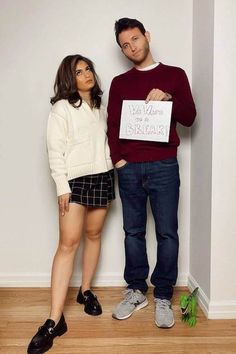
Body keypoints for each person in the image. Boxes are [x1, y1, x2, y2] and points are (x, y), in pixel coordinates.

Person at [107, 18, 196, 328]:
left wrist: (168, 99)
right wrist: (118, 160)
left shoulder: (174, 75)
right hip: (129, 168)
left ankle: (163, 295)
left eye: (135, 39)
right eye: (125, 45)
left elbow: (189, 118)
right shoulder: (120, 83)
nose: (132, 47)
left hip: (164, 166)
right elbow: (113, 126)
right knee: (132, 232)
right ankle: (136, 290)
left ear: (147, 35)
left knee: (167, 232)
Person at [27, 54, 114, 354]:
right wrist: (62, 186)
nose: (87, 74)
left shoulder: (101, 107)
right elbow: (55, 149)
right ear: (69, 77)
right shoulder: (61, 108)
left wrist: (117, 160)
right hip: (75, 182)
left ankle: (85, 290)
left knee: (94, 235)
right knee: (67, 244)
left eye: (88, 68)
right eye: (79, 71)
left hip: (102, 176)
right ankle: (54, 319)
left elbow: (107, 143)